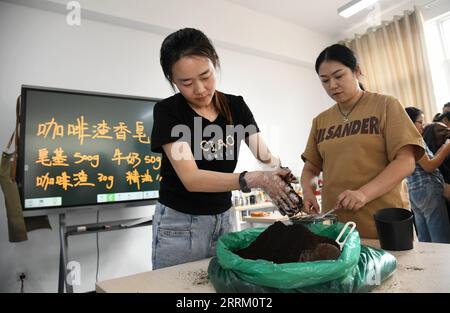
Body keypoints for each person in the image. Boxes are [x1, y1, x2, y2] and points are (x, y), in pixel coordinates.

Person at [150, 28, 300, 269]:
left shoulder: (235, 106)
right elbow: (192, 179)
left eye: (206, 76)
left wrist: (278, 172)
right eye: (186, 83)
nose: (199, 89)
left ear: (215, 64)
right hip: (180, 223)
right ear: (172, 79)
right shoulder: (169, 112)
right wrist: (255, 179)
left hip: (224, 219)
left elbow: (264, 155)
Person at [300, 44, 424, 239]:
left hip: (384, 224)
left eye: (338, 76)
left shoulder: (385, 105)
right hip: (338, 229)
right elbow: (311, 169)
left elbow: (405, 161)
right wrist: (308, 192)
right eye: (325, 80)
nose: (332, 85)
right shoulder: (321, 121)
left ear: (357, 71)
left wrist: (363, 194)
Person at [405, 107, 450, 243]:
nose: (423, 126)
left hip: (414, 191)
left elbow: (425, 162)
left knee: (425, 239)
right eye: (420, 122)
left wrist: (441, 150)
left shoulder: (402, 139)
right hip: (428, 189)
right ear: (410, 122)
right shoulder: (414, 138)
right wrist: (447, 147)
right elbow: (429, 166)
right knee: (440, 239)